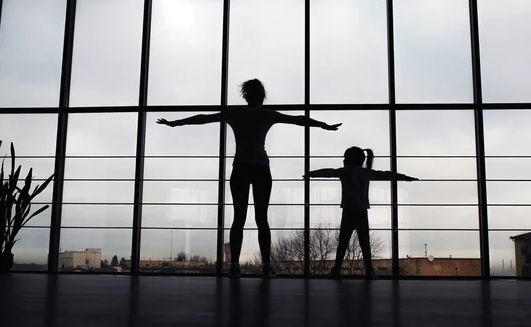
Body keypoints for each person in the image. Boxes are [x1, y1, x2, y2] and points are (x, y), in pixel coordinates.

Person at [157, 79, 341, 278]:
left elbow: (203, 118)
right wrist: (324, 126)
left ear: (245, 95)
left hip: (242, 169)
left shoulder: (236, 113)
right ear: (262, 96)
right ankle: (265, 266)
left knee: (239, 218)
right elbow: (298, 119)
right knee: (261, 219)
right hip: (260, 169)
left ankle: (236, 266)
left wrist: (175, 123)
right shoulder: (266, 114)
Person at [304, 146, 418, 280]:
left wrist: (310, 174)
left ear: (349, 159)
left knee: (343, 242)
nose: (343, 160)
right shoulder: (365, 173)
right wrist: (405, 177)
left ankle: (336, 269)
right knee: (365, 243)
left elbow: (328, 172)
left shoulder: (344, 172)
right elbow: (386, 174)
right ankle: (369, 270)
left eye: (345, 158)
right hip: (362, 212)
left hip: (348, 211)